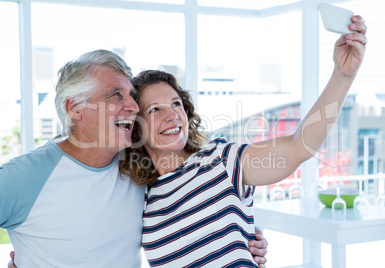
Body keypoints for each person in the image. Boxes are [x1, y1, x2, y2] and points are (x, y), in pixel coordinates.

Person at [119, 15, 367, 267]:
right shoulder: (141, 197)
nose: (172, 115)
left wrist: (342, 76)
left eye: (176, 104)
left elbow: (298, 148)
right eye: (154, 110)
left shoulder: (220, 160)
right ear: (136, 129)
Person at [2, 49, 268, 267]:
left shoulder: (137, 169)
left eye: (131, 95)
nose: (132, 106)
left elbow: (193, 209)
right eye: (116, 94)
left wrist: (243, 238)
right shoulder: (26, 177)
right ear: (75, 108)